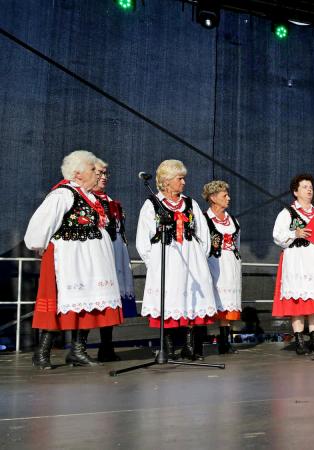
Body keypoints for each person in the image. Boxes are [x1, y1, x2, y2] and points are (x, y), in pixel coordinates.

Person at [25, 150, 123, 369]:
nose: (98, 174)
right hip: (69, 259)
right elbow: (40, 226)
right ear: (77, 173)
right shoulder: (63, 195)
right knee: (61, 303)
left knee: (87, 302)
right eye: (92, 169)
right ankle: (42, 353)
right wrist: (40, 246)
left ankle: (78, 351)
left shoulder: (90, 197)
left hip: (89, 261)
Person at [136, 159, 219, 361]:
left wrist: (199, 258)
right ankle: (168, 348)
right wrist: (155, 264)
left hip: (191, 259)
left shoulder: (190, 204)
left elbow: (203, 233)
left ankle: (190, 347)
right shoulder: (152, 204)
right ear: (166, 180)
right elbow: (142, 240)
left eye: (183, 178)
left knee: (192, 298)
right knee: (168, 300)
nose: (183, 182)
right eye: (180, 178)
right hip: (166, 259)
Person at [272, 174, 314, 355]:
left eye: (310, 187)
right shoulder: (287, 212)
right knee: (298, 302)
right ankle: (300, 342)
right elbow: (277, 235)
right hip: (297, 261)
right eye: (305, 187)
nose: (309, 190)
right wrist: (295, 233)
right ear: (295, 191)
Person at [92, 159, 137, 362]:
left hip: (116, 252)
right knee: (93, 299)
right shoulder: (85, 200)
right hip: (97, 255)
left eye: (105, 174)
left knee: (112, 300)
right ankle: (78, 347)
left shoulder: (112, 202)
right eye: (99, 174)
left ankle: (106, 345)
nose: (104, 178)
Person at [203, 180, 242, 355]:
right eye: (224, 195)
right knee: (210, 301)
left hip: (230, 265)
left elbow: (237, 244)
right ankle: (197, 342)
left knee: (228, 304)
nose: (229, 198)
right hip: (212, 263)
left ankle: (225, 342)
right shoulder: (204, 219)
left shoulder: (233, 220)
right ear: (213, 197)